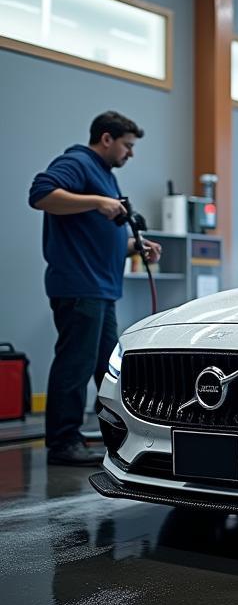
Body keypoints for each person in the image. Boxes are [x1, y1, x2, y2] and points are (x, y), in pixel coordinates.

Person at [29, 112, 162, 466]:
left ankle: (117, 435)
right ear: (107, 139)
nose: (130, 154)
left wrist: (136, 246)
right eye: (127, 146)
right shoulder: (77, 162)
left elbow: (96, 234)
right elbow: (41, 194)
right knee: (76, 363)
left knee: (107, 368)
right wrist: (98, 201)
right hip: (79, 285)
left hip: (101, 288)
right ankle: (62, 443)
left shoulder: (103, 175)